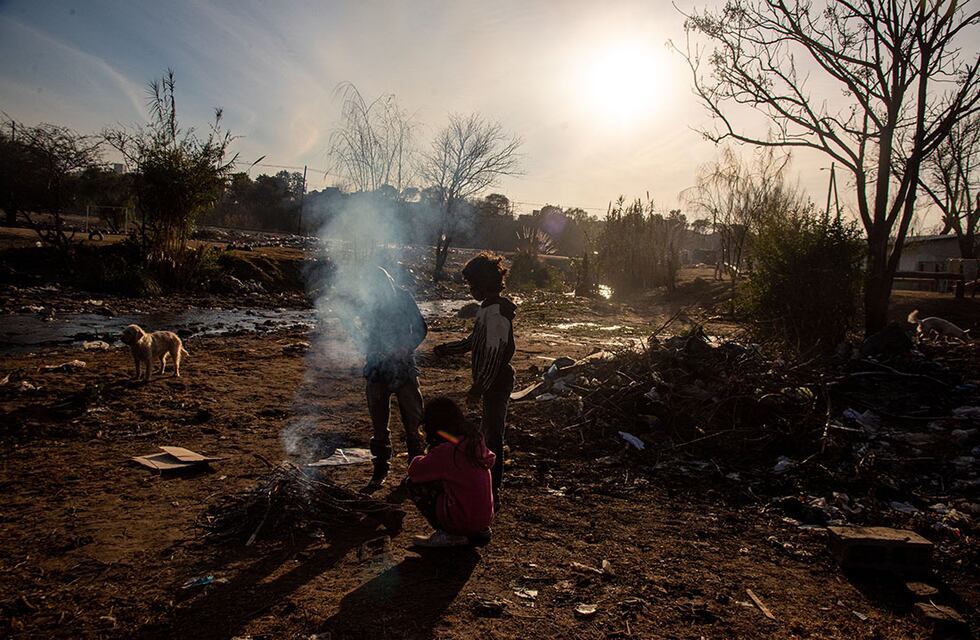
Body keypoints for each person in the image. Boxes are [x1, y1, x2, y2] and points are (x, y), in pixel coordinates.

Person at [433, 253, 515, 510]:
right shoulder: (487, 309)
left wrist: (477, 388)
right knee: (488, 433)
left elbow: (494, 354)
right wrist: (447, 349)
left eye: (472, 285)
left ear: (484, 283)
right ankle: (488, 486)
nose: (470, 291)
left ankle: (493, 491)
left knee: (493, 437)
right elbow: (473, 342)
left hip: (496, 383)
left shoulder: (496, 313)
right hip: (490, 382)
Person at [346, 266, 428, 492]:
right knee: (379, 426)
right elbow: (360, 331)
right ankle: (380, 471)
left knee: (414, 424)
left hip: (403, 368)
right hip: (376, 369)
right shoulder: (368, 301)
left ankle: (417, 473)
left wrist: (405, 347)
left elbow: (421, 327)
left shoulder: (403, 298)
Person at [407, 397, 495, 547]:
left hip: (464, 521)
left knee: (412, 484)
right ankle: (470, 533)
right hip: (484, 521)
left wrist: (420, 455)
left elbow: (414, 472)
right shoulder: (475, 442)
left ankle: (448, 533)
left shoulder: (446, 451)